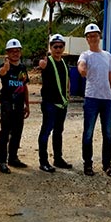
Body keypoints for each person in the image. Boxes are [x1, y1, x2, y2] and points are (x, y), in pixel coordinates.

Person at [77, 23, 111, 177]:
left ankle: (107, 164)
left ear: (99, 37)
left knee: (107, 134)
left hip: (106, 99)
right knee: (88, 133)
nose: (93, 38)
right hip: (92, 98)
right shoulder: (85, 55)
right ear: (87, 39)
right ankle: (88, 164)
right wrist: (82, 70)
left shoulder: (107, 56)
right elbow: (81, 65)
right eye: (90, 36)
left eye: (95, 35)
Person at [37, 33, 73, 173]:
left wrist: (67, 93)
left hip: (61, 104)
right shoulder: (47, 62)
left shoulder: (64, 63)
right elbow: (42, 66)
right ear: (50, 48)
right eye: (55, 46)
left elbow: (66, 80)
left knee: (58, 132)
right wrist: (41, 65)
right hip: (50, 104)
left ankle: (58, 158)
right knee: (46, 131)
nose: (58, 49)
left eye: (60, 46)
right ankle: (43, 161)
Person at [0, 38, 30, 173]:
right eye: (12, 51)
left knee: (17, 132)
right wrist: (5, 68)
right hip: (7, 104)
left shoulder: (22, 68)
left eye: (17, 51)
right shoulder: (5, 66)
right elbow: (2, 73)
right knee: (5, 133)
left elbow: (25, 86)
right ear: (7, 53)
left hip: (19, 104)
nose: (15, 54)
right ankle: (2, 161)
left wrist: (27, 105)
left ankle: (13, 158)